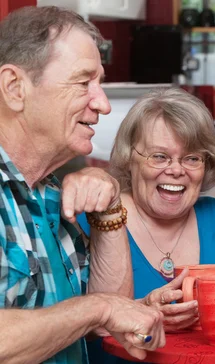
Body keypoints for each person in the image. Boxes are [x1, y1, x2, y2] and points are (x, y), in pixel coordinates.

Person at [0, 6, 165, 363]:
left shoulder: (51, 192)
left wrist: (109, 209)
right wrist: (98, 308)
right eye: (83, 82)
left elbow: (110, 325)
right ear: (15, 88)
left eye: (100, 83)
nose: (102, 104)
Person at [77, 88, 215, 363]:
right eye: (159, 156)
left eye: (192, 158)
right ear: (129, 158)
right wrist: (140, 311)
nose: (176, 170)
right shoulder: (91, 220)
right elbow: (65, 327)